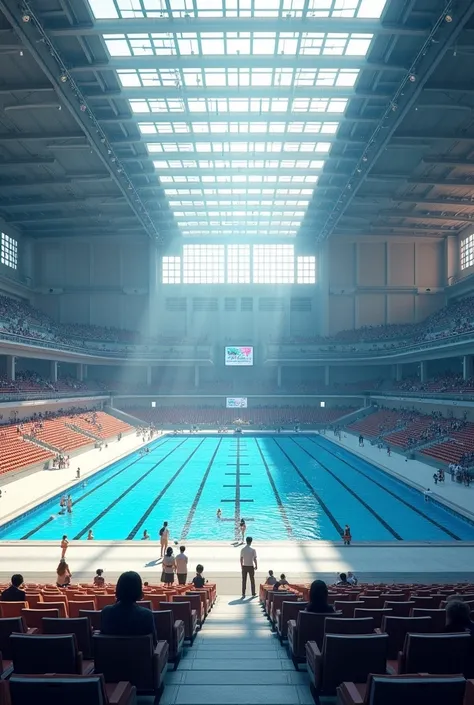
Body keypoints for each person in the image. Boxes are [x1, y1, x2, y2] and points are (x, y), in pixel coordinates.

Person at [100, 571, 157, 645]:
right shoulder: (146, 614)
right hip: (139, 656)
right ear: (138, 591)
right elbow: (154, 643)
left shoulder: (106, 612)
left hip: (111, 656)